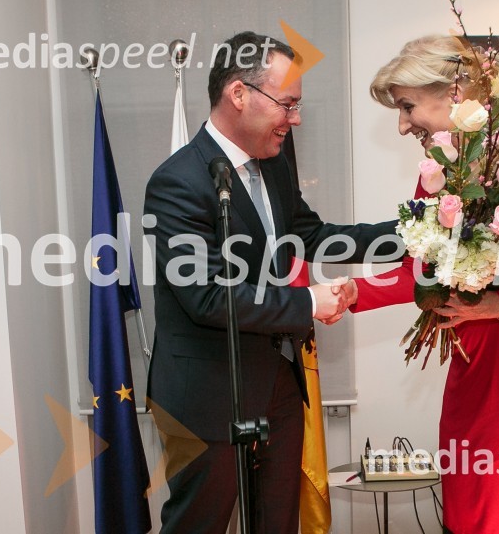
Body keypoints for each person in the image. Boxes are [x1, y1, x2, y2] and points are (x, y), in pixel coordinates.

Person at [342, 35, 499, 533]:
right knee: (466, 496)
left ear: (452, 92)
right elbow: (425, 272)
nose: (401, 125)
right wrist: (354, 294)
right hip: (473, 356)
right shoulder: (437, 173)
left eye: (406, 107)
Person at [143, 31, 399, 533]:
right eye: (288, 104)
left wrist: (412, 235)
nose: (295, 118)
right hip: (206, 395)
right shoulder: (178, 181)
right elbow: (206, 296)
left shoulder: (274, 165)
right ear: (239, 94)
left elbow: (311, 235)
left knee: (278, 524)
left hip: (278, 387)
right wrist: (307, 304)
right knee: (200, 524)